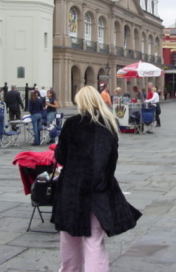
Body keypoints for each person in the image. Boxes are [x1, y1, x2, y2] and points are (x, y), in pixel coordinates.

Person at [51, 86, 142, 272]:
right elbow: (112, 160)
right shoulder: (110, 124)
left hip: (72, 188)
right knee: (94, 239)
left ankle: (70, 270)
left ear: (80, 102)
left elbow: (60, 157)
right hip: (99, 188)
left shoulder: (72, 123)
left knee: (69, 236)